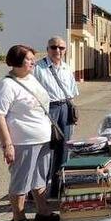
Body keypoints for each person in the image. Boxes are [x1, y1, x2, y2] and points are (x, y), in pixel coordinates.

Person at [0, 44, 58, 221]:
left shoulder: (31, 79)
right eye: (29, 59)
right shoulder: (6, 85)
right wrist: (8, 145)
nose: (33, 62)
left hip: (42, 137)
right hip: (23, 140)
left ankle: (43, 210)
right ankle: (18, 217)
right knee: (21, 178)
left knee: (39, 177)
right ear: (18, 62)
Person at [33, 36, 79, 199]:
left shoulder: (67, 68)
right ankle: (38, 190)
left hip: (65, 108)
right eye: (54, 47)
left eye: (61, 48)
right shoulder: (38, 68)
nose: (57, 51)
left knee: (63, 149)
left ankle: (56, 190)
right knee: (45, 150)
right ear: (47, 49)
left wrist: (72, 112)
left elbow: (72, 93)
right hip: (47, 110)